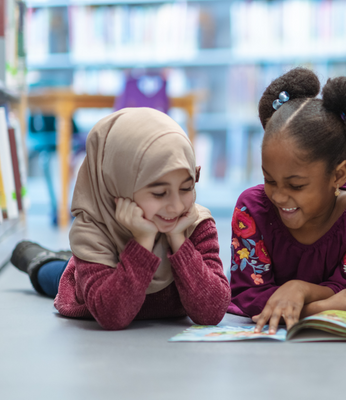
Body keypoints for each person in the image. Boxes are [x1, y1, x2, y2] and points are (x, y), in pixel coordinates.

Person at [10, 108, 231, 330]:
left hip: (118, 265)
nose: (175, 206)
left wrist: (178, 240)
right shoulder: (93, 231)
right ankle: (37, 258)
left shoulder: (195, 224)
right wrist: (144, 241)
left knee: (73, 262)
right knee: (54, 274)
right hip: (88, 288)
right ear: (119, 183)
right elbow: (112, 316)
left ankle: (67, 258)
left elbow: (212, 312)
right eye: (158, 193)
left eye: (186, 187)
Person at [228, 67, 346, 333]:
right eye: (269, 179)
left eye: (296, 185)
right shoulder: (252, 208)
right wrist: (316, 308)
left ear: (338, 175)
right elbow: (247, 295)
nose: (279, 196)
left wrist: (298, 289)